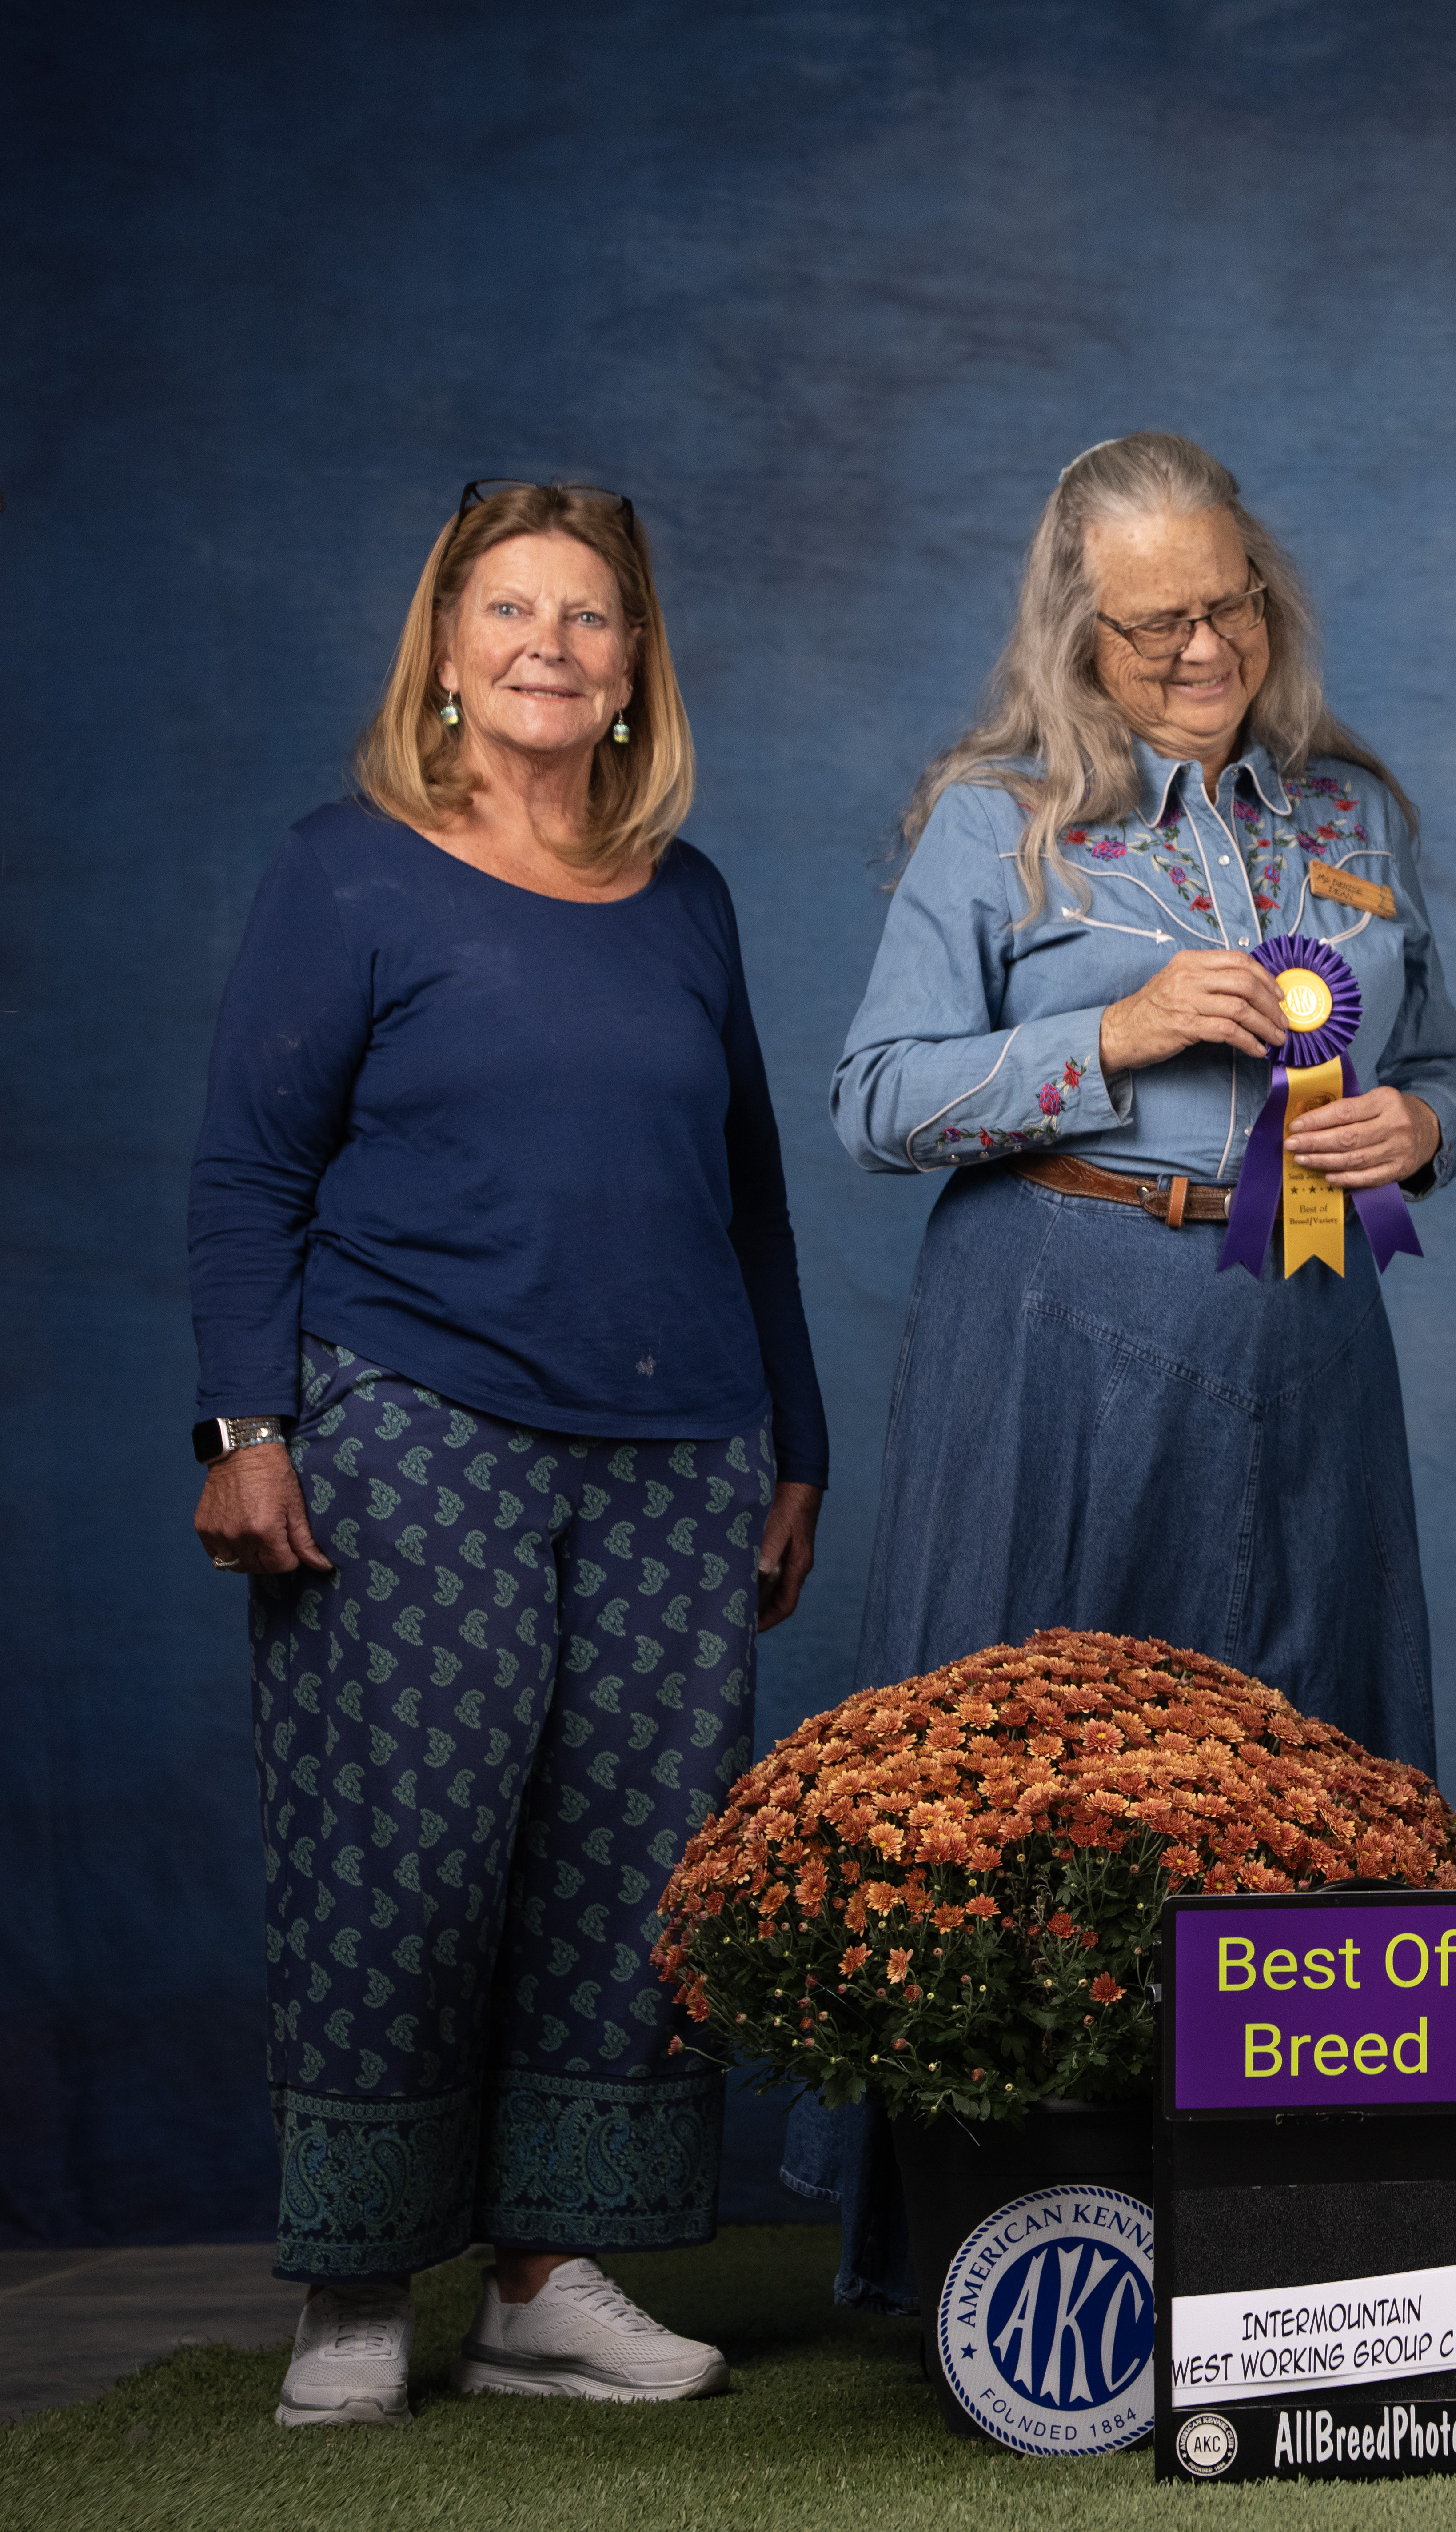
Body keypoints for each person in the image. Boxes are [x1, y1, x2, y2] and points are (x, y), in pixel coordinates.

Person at [794, 431, 1456, 2304]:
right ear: (1074, 638)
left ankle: (1303, 2255)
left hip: (1305, 1331)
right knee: (1045, 1782)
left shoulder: (1353, 816)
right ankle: (1017, 2247)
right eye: (1154, 622)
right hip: (1056, 1329)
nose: (1201, 648)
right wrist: (1105, 1037)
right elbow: (872, 1099)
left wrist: (1417, 1139)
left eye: (1228, 605)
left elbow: (1447, 1073)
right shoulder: (992, 820)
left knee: (1312, 1762)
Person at [189, 480, 830, 2424]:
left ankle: (551, 2278)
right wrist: (246, 1428)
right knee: (407, 1860)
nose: (550, 645)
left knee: (637, 1872)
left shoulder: (689, 898)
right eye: (509, 612)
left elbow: (750, 1203)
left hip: (682, 1447)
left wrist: (795, 1445)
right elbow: (249, 1174)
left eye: (590, 617)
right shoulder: (346, 872)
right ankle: (359, 2291)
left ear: (636, 669)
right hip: (409, 1426)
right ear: (446, 650)